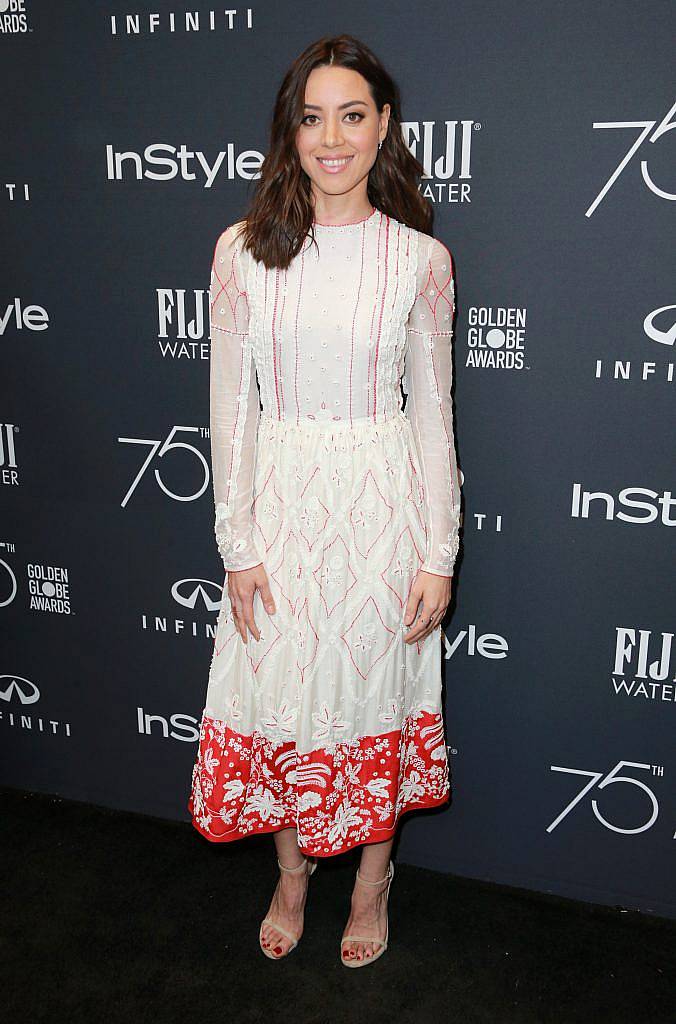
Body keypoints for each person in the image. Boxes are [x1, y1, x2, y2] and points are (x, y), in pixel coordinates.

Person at [188, 32, 461, 968]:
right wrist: (240, 544)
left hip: (383, 517)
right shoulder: (241, 252)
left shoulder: (421, 260)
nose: (331, 138)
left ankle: (374, 883)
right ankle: (294, 873)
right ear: (290, 132)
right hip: (282, 515)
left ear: (384, 126)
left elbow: (433, 420)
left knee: (372, 700)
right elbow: (231, 413)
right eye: (312, 118)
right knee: (286, 702)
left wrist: (439, 553)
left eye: (352, 115)